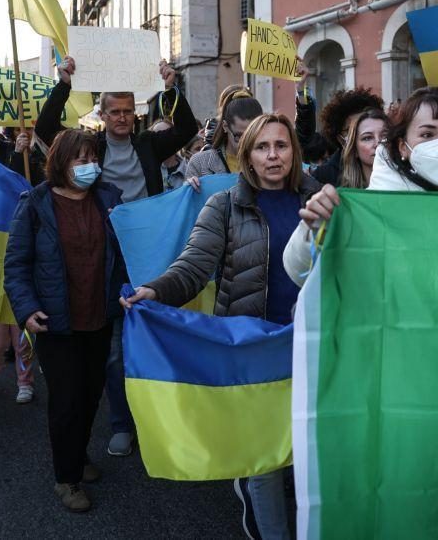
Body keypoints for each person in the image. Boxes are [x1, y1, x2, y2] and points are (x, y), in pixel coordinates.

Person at [122, 113, 322, 540]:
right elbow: (194, 268)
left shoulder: (321, 201)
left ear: (294, 151)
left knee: (308, 451)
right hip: (251, 353)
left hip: (311, 346)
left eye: (281, 146)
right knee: (263, 463)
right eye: (262, 147)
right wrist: (153, 293)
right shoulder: (224, 205)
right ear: (247, 155)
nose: (273, 155)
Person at [37, 55, 195, 458]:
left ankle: (163, 419)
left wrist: (171, 88)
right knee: (113, 349)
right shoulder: (90, 148)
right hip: (104, 256)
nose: (122, 118)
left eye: (128, 111)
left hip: (151, 253)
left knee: (156, 335)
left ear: (136, 113)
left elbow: (189, 129)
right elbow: (45, 129)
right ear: (102, 115)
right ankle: (123, 423)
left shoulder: (150, 143)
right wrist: (64, 83)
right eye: (115, 112)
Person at [4, 129, 127, 512]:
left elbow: (131, 245)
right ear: (60, 162)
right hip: (55, 321)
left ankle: (78, 455)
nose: (89, 166)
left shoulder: (109, 199)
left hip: (99, 315)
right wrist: (26, 310)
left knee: (91, 395)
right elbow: (16, 265)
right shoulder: (35, 204)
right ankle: (66, 477)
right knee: (66, 401)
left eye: (93, 157)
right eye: (80, 159)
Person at [285, 87, 438, 286]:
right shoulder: (369, 209)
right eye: (427, 134)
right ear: (403, 147)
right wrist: (313, 231)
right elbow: (301, 273)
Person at [0, 85, 46, 185]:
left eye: (28, 128)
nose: (24, 133)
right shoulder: (3, 149)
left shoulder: (41, 153)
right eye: (18, 130)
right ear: (11, 133)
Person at [310, 87, 385, 186]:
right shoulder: (325, 176)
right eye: (352, 129)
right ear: (341, 139)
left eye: (383, 134)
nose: (377, 143)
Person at [185, 90, 262, 178]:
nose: (246, 143)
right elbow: (188, 191)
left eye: (252, 136)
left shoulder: (268, 160)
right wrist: (189, 185)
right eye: (239, 136)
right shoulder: (200, 163)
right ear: (225, 126)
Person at [339, 109, 389, 189]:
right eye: (367, 138)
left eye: (384, 136)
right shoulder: (343, 197)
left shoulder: (409, 188)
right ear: (355, 150)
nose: (378, 144)